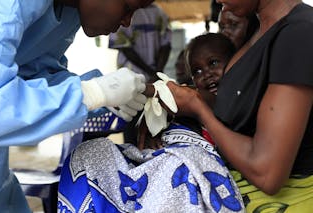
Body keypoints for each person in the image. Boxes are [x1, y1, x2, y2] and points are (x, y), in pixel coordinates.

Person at [0, 0, 154, 211]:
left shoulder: (68, 13)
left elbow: (32, 75)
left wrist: (99, 93)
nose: (126, 22)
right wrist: (91, 93)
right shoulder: (9, 6)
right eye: (127, 8)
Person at [58, 33, 245, 213]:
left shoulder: (238, 98)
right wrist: (156, 121)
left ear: (236, 63)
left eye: (213, 63)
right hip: (155, 163)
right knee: (89, 153)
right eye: (197, 71)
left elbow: (195, 97)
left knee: (172, 173)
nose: (206, 74)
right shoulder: (188, 105)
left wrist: (152, 91)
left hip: (182, 168)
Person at [165, 0, 313, 211]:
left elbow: (267, 174)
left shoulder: (298, 33)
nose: (217, 1)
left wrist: (199, 110)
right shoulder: (256, 32)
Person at [108, 3, 172, 146]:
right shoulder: (129, 10)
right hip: (139, 79)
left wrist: (153, 72)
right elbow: (165, 45)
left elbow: (166, 45)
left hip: (138, 78)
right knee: (136, 121)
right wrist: (155, 71)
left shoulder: (154, 12)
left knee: (145, 122)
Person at [108, 3, 172, 83]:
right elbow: (166, 46)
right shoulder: (159, 12)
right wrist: (156, 73)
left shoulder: (122, 12)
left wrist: (152, 73)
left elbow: (125, 48)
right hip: (152, 76)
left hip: (129, 75)